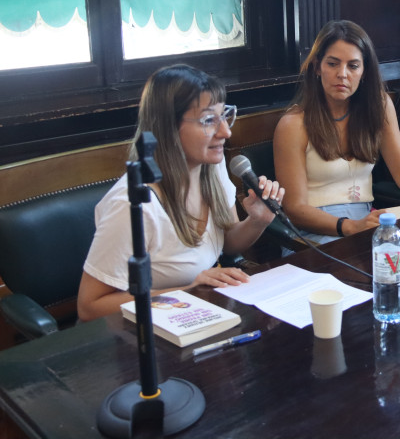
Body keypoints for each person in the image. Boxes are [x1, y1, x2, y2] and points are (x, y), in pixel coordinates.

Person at [77, 64, 283, 321]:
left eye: (224, 115)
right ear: (168, 128)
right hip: (142, 330)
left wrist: (257, 220)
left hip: (196, 313)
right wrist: (188, 290)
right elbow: (90, 307)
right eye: (208, 120)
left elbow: (228, 242)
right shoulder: (132, 204)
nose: (226, 132)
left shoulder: (213, 167)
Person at [273, 20, 400, 246]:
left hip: (366, 224)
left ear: (365, 71)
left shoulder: (379, 106)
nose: (342, 74)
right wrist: (350, 226)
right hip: (312, 235)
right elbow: (295, 209)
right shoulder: (293, 124)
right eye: (333, 64)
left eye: (353, 66)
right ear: (317, 67)